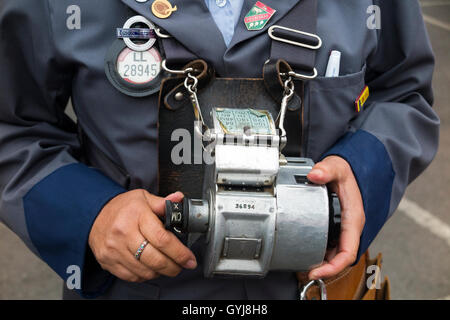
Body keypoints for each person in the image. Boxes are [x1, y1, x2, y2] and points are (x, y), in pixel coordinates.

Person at [0, 0, 439, 299]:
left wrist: (361, 170)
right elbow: (12, 127)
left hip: (314, 285)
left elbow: (402, 91)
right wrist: (89, 214)